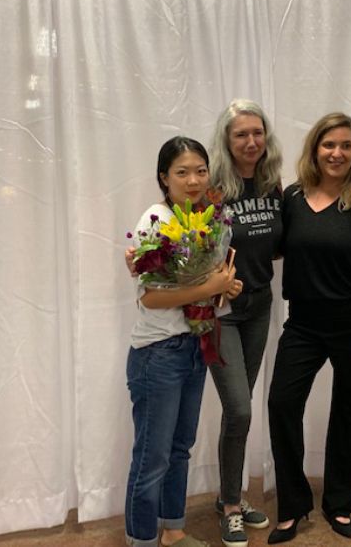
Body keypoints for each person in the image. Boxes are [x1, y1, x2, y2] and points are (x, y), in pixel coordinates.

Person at [266, 113, 351, 543]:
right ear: (314, 149)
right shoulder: (293, 197)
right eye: (329, 145)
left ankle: (339, 503)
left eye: (346, 145)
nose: (337, 153)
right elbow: (274, 250)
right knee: (282, 404)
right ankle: (293, 506)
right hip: (303, 323)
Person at [125, 136, 241, 547]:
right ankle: (141, 540)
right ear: (164, 177)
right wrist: (207, 286)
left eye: (200, 171)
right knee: (151, 457)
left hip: (193, 347)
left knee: (179, 448)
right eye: (181, 172)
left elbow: (196, 288)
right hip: (157, 355)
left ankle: (173, 530)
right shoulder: (155, 221)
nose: (193, 180)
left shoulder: (205, 220)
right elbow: (152, 298)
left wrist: (225, 287)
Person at [208, 99, 283, 547]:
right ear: (227, 139)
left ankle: (228, 496)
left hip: (259, 306)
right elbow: (196, 246)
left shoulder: (273, 184)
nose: (251, 141)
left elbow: (275, 244)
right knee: (239, 409)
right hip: (221, 313)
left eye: (258, 133)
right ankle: (233, 506)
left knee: (239, 412)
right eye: (241, 134)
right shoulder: (214, 187)